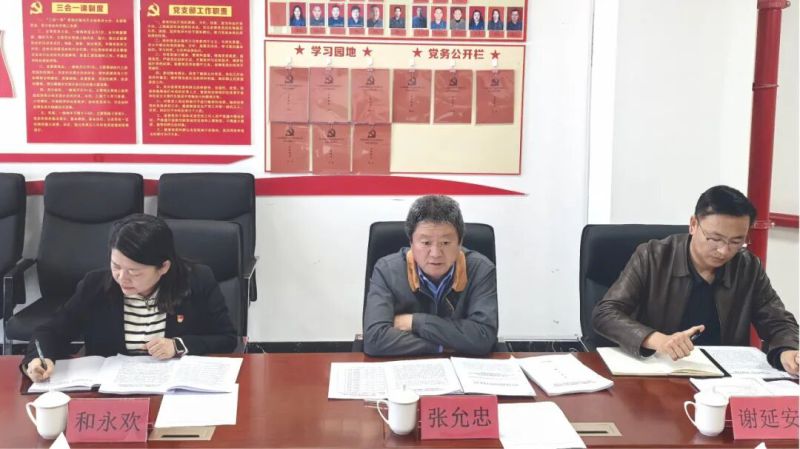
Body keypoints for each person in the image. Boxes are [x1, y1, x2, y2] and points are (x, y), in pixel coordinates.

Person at [592, 186, 799, 374]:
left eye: (737, 241)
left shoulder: (747, 267)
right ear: (693, 225)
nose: (724, 250)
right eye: (715, 239)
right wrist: (659, 340)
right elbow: (605, 314)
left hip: (724, 376)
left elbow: (778, 322)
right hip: (661, 372)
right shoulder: (653, 256)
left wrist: (788, 350)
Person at [22, 214, 238, 382]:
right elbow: (52, 331)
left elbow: (227, 338)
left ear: (163, 267)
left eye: (134, 272)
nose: (121, 278)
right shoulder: (95, 285)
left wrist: (178, 346)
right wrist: (37, 359)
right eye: (116, 266)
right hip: (109, 393)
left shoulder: (197, 280)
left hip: (173, 389)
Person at [363, 195, 498, 356]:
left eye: (445, 243)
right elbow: (374, 339)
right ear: (411, 242)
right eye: (426, 243)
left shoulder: (481, 269)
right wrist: (439, 346)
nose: (435, 254)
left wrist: (415, 322)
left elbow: (483, 337)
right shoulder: (386, 270)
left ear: (460, 242)